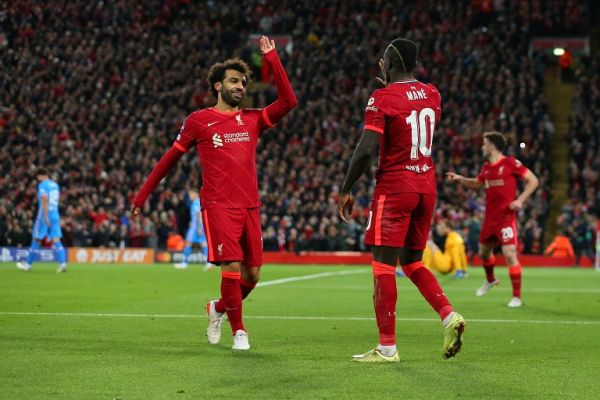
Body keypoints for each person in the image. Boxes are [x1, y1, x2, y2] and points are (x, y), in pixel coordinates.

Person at [131, 35, 297, 351]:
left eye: (244, 82)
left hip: (250, 205)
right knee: (232, 267)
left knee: (253, 275)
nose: (241, 86)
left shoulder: (252, 119)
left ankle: (218, 308)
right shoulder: (199, 121)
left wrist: (273, 60)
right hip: (218, 205)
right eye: (234, 80)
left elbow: (289, 102)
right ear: (218, 86)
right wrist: (142, 196)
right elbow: (169, 159)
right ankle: (240, 332)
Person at [338, 38, 465, 363]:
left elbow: (366, 150)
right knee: (412, 262)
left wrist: (346, 187)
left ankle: (387, 348)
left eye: (383, 60)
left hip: (396, 187)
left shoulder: (381, 98)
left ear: (390, 63)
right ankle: (449, 315)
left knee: (383, 266)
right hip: (426, 187)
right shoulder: (433, 93)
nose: (380, 64)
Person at [446, 131, 539, 308]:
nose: (482, 146)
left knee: (510, 254)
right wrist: (460, 179)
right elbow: (476, 183)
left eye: (484, 143)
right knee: (483, 253)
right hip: (490, 219)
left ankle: (516, 297)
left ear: (492, 146)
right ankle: (490, 280)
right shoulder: (487, 167)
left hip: (506, 218)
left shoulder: (510, 163)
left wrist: (520, 200)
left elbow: (533, 180)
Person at [16, 168, 68, 272]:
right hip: (55, 213)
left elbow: (44, 198)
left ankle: (28, 264)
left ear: (41, 175)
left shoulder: (43, 185)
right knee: (56, 239)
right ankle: (63, 264)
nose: (38, 179)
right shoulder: (55, 185)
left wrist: (45, 216)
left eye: (38, 177)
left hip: (45, 214)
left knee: (36, 238)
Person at [174, 189, 214, 271]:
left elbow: (199, 214)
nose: (190, 196)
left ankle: (184, 263)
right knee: (203, 244)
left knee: (188, 243)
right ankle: (209, 262)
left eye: (191, 194)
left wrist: (199, 227)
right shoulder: (198, 202)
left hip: (196, 227)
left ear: (195, 194)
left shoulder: (196, 202)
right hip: (198, 226)